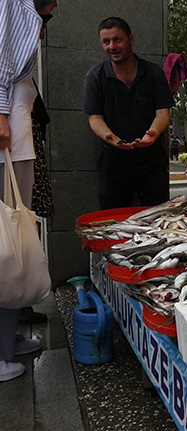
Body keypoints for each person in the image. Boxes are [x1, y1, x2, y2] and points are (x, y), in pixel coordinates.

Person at [0, 0, 57, 383]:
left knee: (13, 248)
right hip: (7, 149)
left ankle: (7, 340)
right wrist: (1, 114)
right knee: (5, 251)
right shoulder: (12, 5)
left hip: (16, 150)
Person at [83, 17, 174, 210]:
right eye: (106, 42)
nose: (112, 46)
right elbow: (95, 118)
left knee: (158, 216)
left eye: (117, 40)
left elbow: (163, 113)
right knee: (114, 218)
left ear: (130, 40)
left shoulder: (153, 74)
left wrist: (153, 133)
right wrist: (110, 137)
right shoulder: (95, 76)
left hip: (151, 158)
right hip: (113, 159)